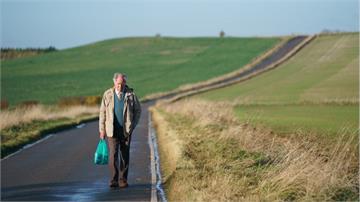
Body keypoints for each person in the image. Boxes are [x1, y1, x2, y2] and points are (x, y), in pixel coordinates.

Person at [99, 73, 141, 188]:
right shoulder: (107, 94)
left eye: (122, 84)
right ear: (114, 83)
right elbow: (102, 113)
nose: (120, 86)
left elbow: (138, 111)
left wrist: (133, 125)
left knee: (124, 155)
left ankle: (123, 180)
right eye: (118, 84)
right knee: (113, 155)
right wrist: (102, 130)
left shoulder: (131, 94)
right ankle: (113, 180)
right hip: (111, 131)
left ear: (125, 83)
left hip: (126, 131)